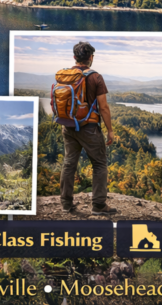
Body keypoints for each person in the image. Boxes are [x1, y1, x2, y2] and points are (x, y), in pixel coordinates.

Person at [59, 41, 117, 215]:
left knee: (69, 163)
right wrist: (110, 130)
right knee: (99, 164)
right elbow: (103, 107)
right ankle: (99, 205)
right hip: (89, 127)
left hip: (68, 126)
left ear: (75, 57)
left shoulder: (64, 75)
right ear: (91, 58)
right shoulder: (95, 77)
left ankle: (66, 204)